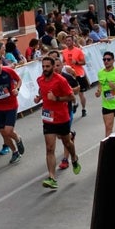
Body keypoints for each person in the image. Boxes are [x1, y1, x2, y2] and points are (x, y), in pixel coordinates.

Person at [35, 56, 80, 190]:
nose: (45, 69)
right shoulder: (40, 80)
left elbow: (72, 97)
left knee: (67, 142)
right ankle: (52, 178)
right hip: (48, 119)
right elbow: (42, 91)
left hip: (61, 118)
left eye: (48, 66)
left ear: (53, 67)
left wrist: (56, 98)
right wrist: (39, 98)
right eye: (43, 67)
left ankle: (74, 157)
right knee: (49, 148)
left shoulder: (61, 80)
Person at [60, 35, 89, 116]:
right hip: (69, 75)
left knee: (80, 93)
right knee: (70, 92)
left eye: (69, 40)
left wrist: (76, 62)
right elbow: (63, 61)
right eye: (67, 40)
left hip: (78, 74)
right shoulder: (64, 51)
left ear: (73, 41)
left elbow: (83, 62)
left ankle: (84, 109)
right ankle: (75, 103)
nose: (68, 42)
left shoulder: (78, 51)